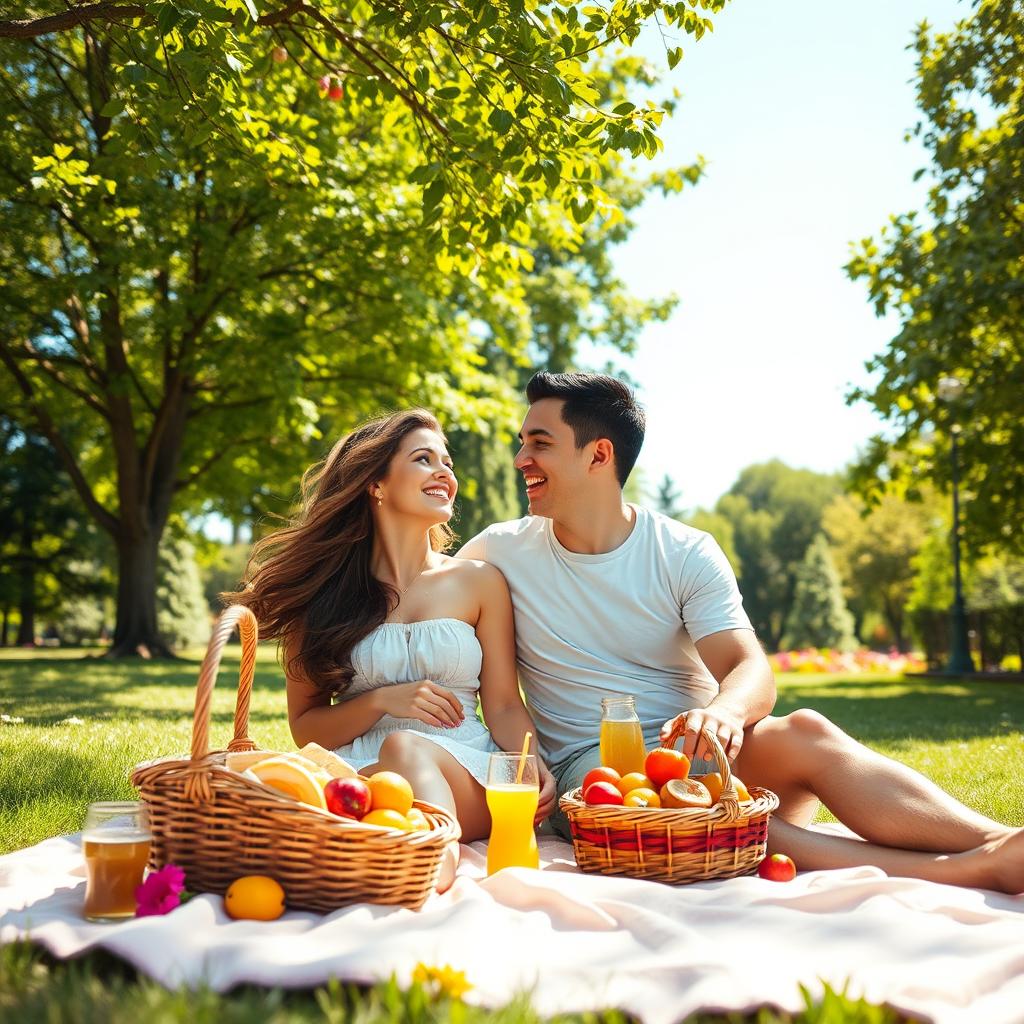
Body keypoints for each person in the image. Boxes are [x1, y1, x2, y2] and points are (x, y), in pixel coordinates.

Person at [457, 371, 1024, 894]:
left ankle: (997, 839)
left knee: (805, 728)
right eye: (523, 442)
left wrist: (724, 714)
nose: (519, 458)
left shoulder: (683, 550)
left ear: (598, 455)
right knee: (699, 811)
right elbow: (422, 599)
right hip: (596, 774)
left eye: (539, 443)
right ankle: (970, 871)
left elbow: (749, 668)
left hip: (702, 748)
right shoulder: (499, 551)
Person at [228, 409, 556, 886]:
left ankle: (429, 863)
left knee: (407, 747)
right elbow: (306, 729)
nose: (445, 472)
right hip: (357, 773)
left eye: (447, 462)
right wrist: (382, 700)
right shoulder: (323, 596)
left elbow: (503, 703)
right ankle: (381, 855)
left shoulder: (478, 581)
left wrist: (529, 763)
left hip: (463, 770)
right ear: (374, 484)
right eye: (424, 459)